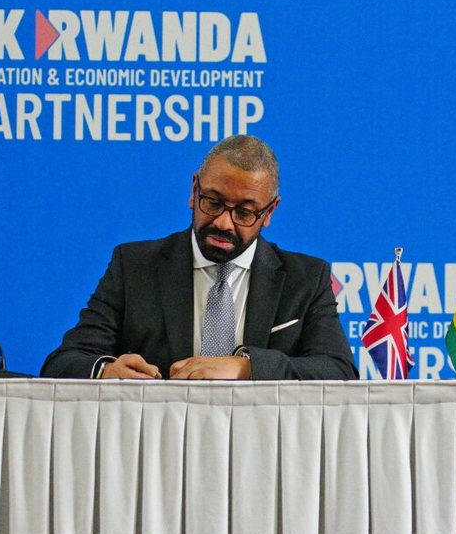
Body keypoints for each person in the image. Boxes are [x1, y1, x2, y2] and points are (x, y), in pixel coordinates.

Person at [41, 135, 356, 380]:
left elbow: (338, 371)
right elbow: (64, 362)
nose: (223, 223)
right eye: (213, 202)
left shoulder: (305, 278)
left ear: (270, 211)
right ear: (194, 190)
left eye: (244, 212)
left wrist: (245, 367)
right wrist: (107, 371)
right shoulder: (134, 266)